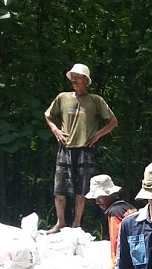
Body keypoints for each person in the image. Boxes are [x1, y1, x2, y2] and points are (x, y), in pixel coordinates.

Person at [43, 63, 118, 233]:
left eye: (78, 77)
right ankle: (60, 223)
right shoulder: (62, 97)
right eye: (73, 77)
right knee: (59, 189)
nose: (74, 80)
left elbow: (113, 121)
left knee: (81, 191)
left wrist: (98, 134)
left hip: (85, 149)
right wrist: (55, 130)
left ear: (86, 80)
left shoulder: (95, 100)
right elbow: (48, 115)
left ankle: (76, 224)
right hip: (65, 148)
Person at [84, 174, 137, 269]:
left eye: (100, 197)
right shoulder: (128, 207)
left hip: (126, 264)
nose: (97, 201)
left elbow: (117, 242)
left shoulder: (115, 213)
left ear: (110, 194)